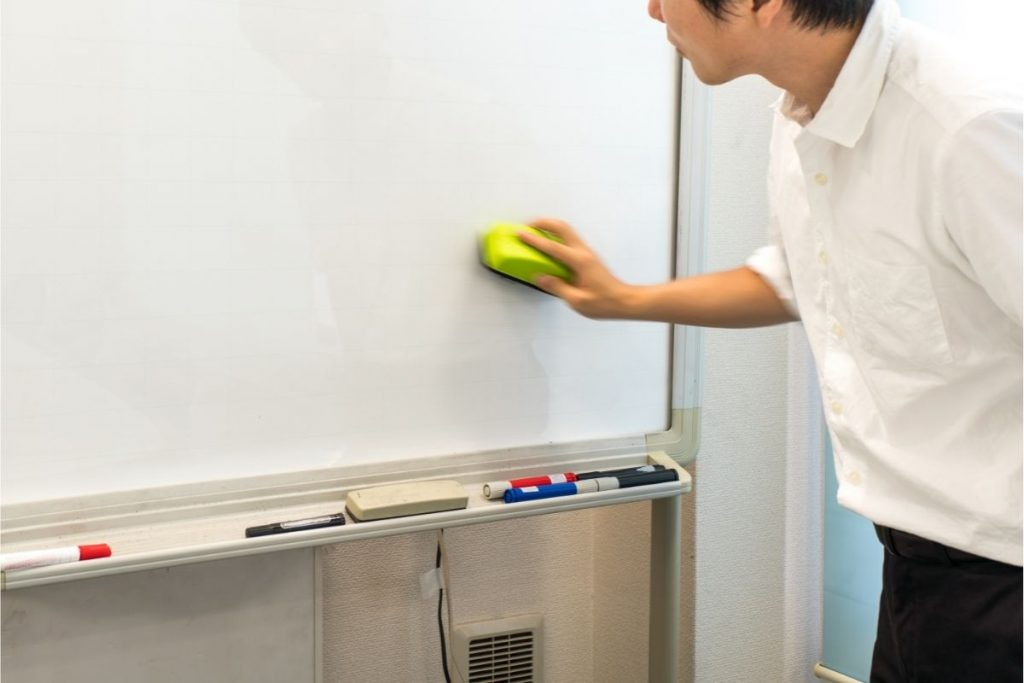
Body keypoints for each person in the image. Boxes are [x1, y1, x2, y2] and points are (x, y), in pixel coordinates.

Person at [518, 0, 1023, 680]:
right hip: (918, 564)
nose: (652, 9)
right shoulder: (800, 112)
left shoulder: (967, 126)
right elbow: (798, 277)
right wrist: (624, 300)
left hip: (1003, 581)